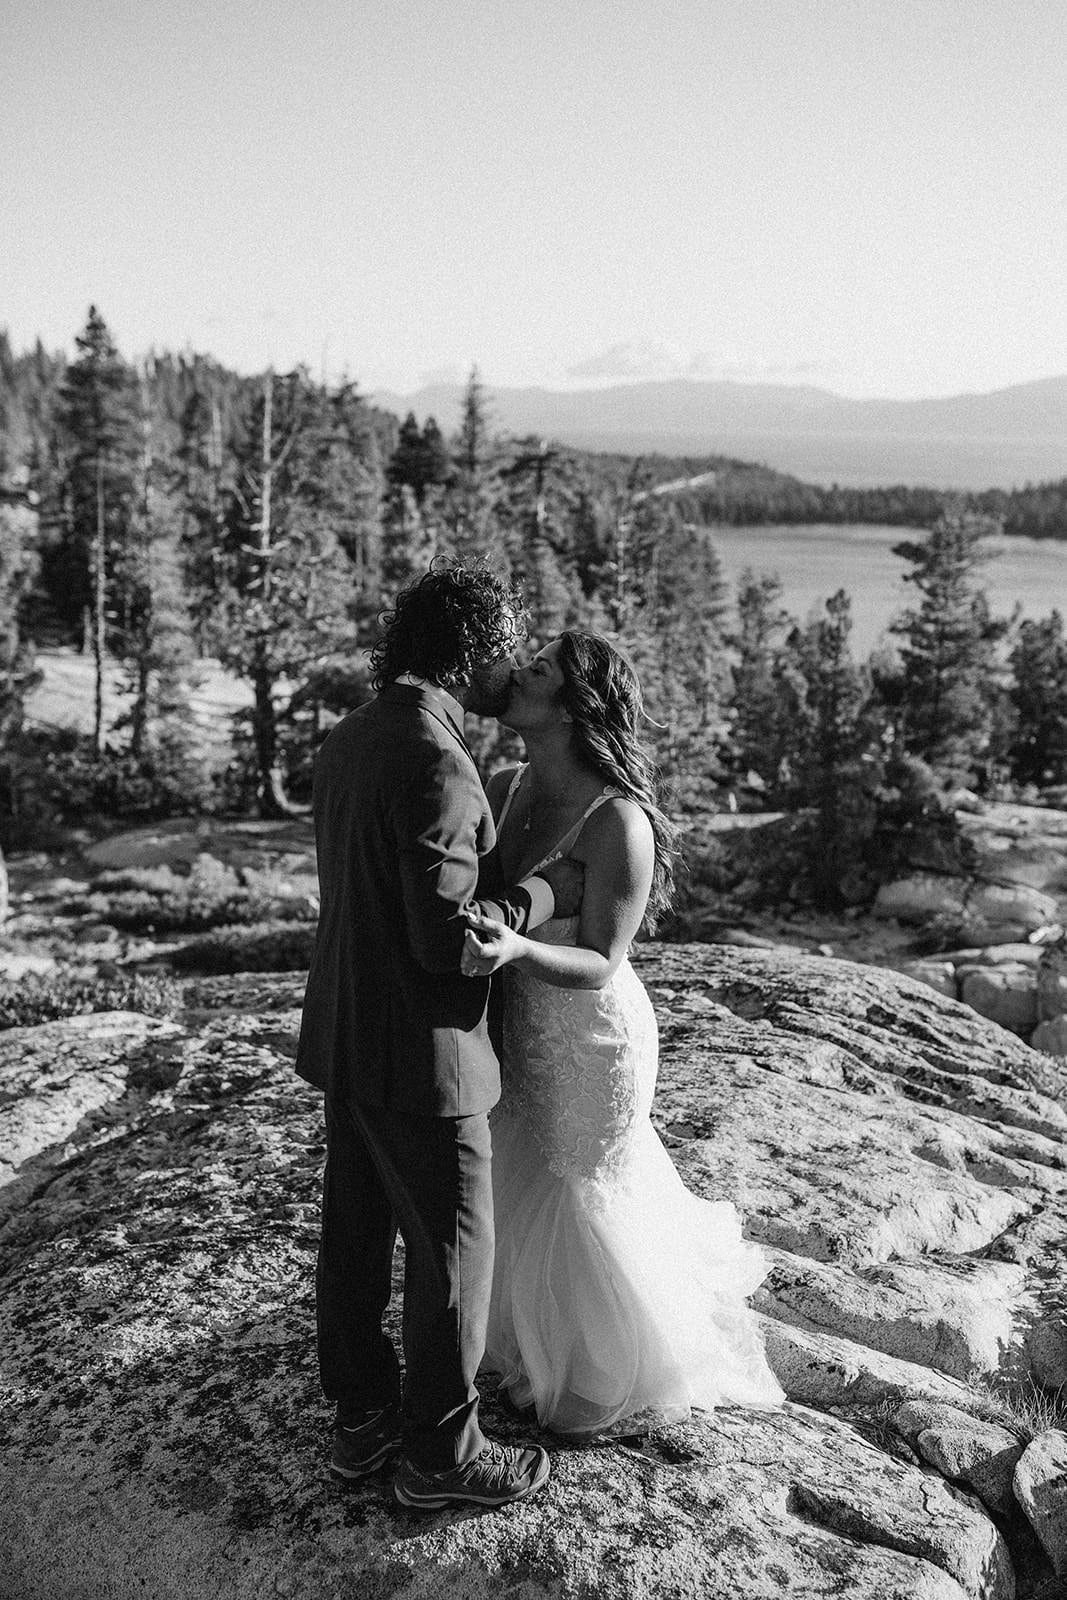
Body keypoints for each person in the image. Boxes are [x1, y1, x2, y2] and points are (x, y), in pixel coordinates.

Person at [294, 565, 582, 1510]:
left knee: (355, 1232)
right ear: (473, 648)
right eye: (509, 645)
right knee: (453, 1253)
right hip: (423, 1053)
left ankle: (361, 1420)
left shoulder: (353, 735)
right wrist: (544, 895)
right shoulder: (437, 760)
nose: (515, 667)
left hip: (345, 1033)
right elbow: (450, 940)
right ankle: (443, 1456)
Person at [462, 631, 785, 1437]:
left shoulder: (619, 823)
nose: (514, 675)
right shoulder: (500, 784)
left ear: (572, 708)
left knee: (580, 1184)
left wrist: (516, 948)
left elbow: (602, 959)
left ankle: (598, 1372)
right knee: (517, 1170)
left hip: (590, 1035)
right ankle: (518, 1350)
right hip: (516, 1025)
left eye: (535, 671)